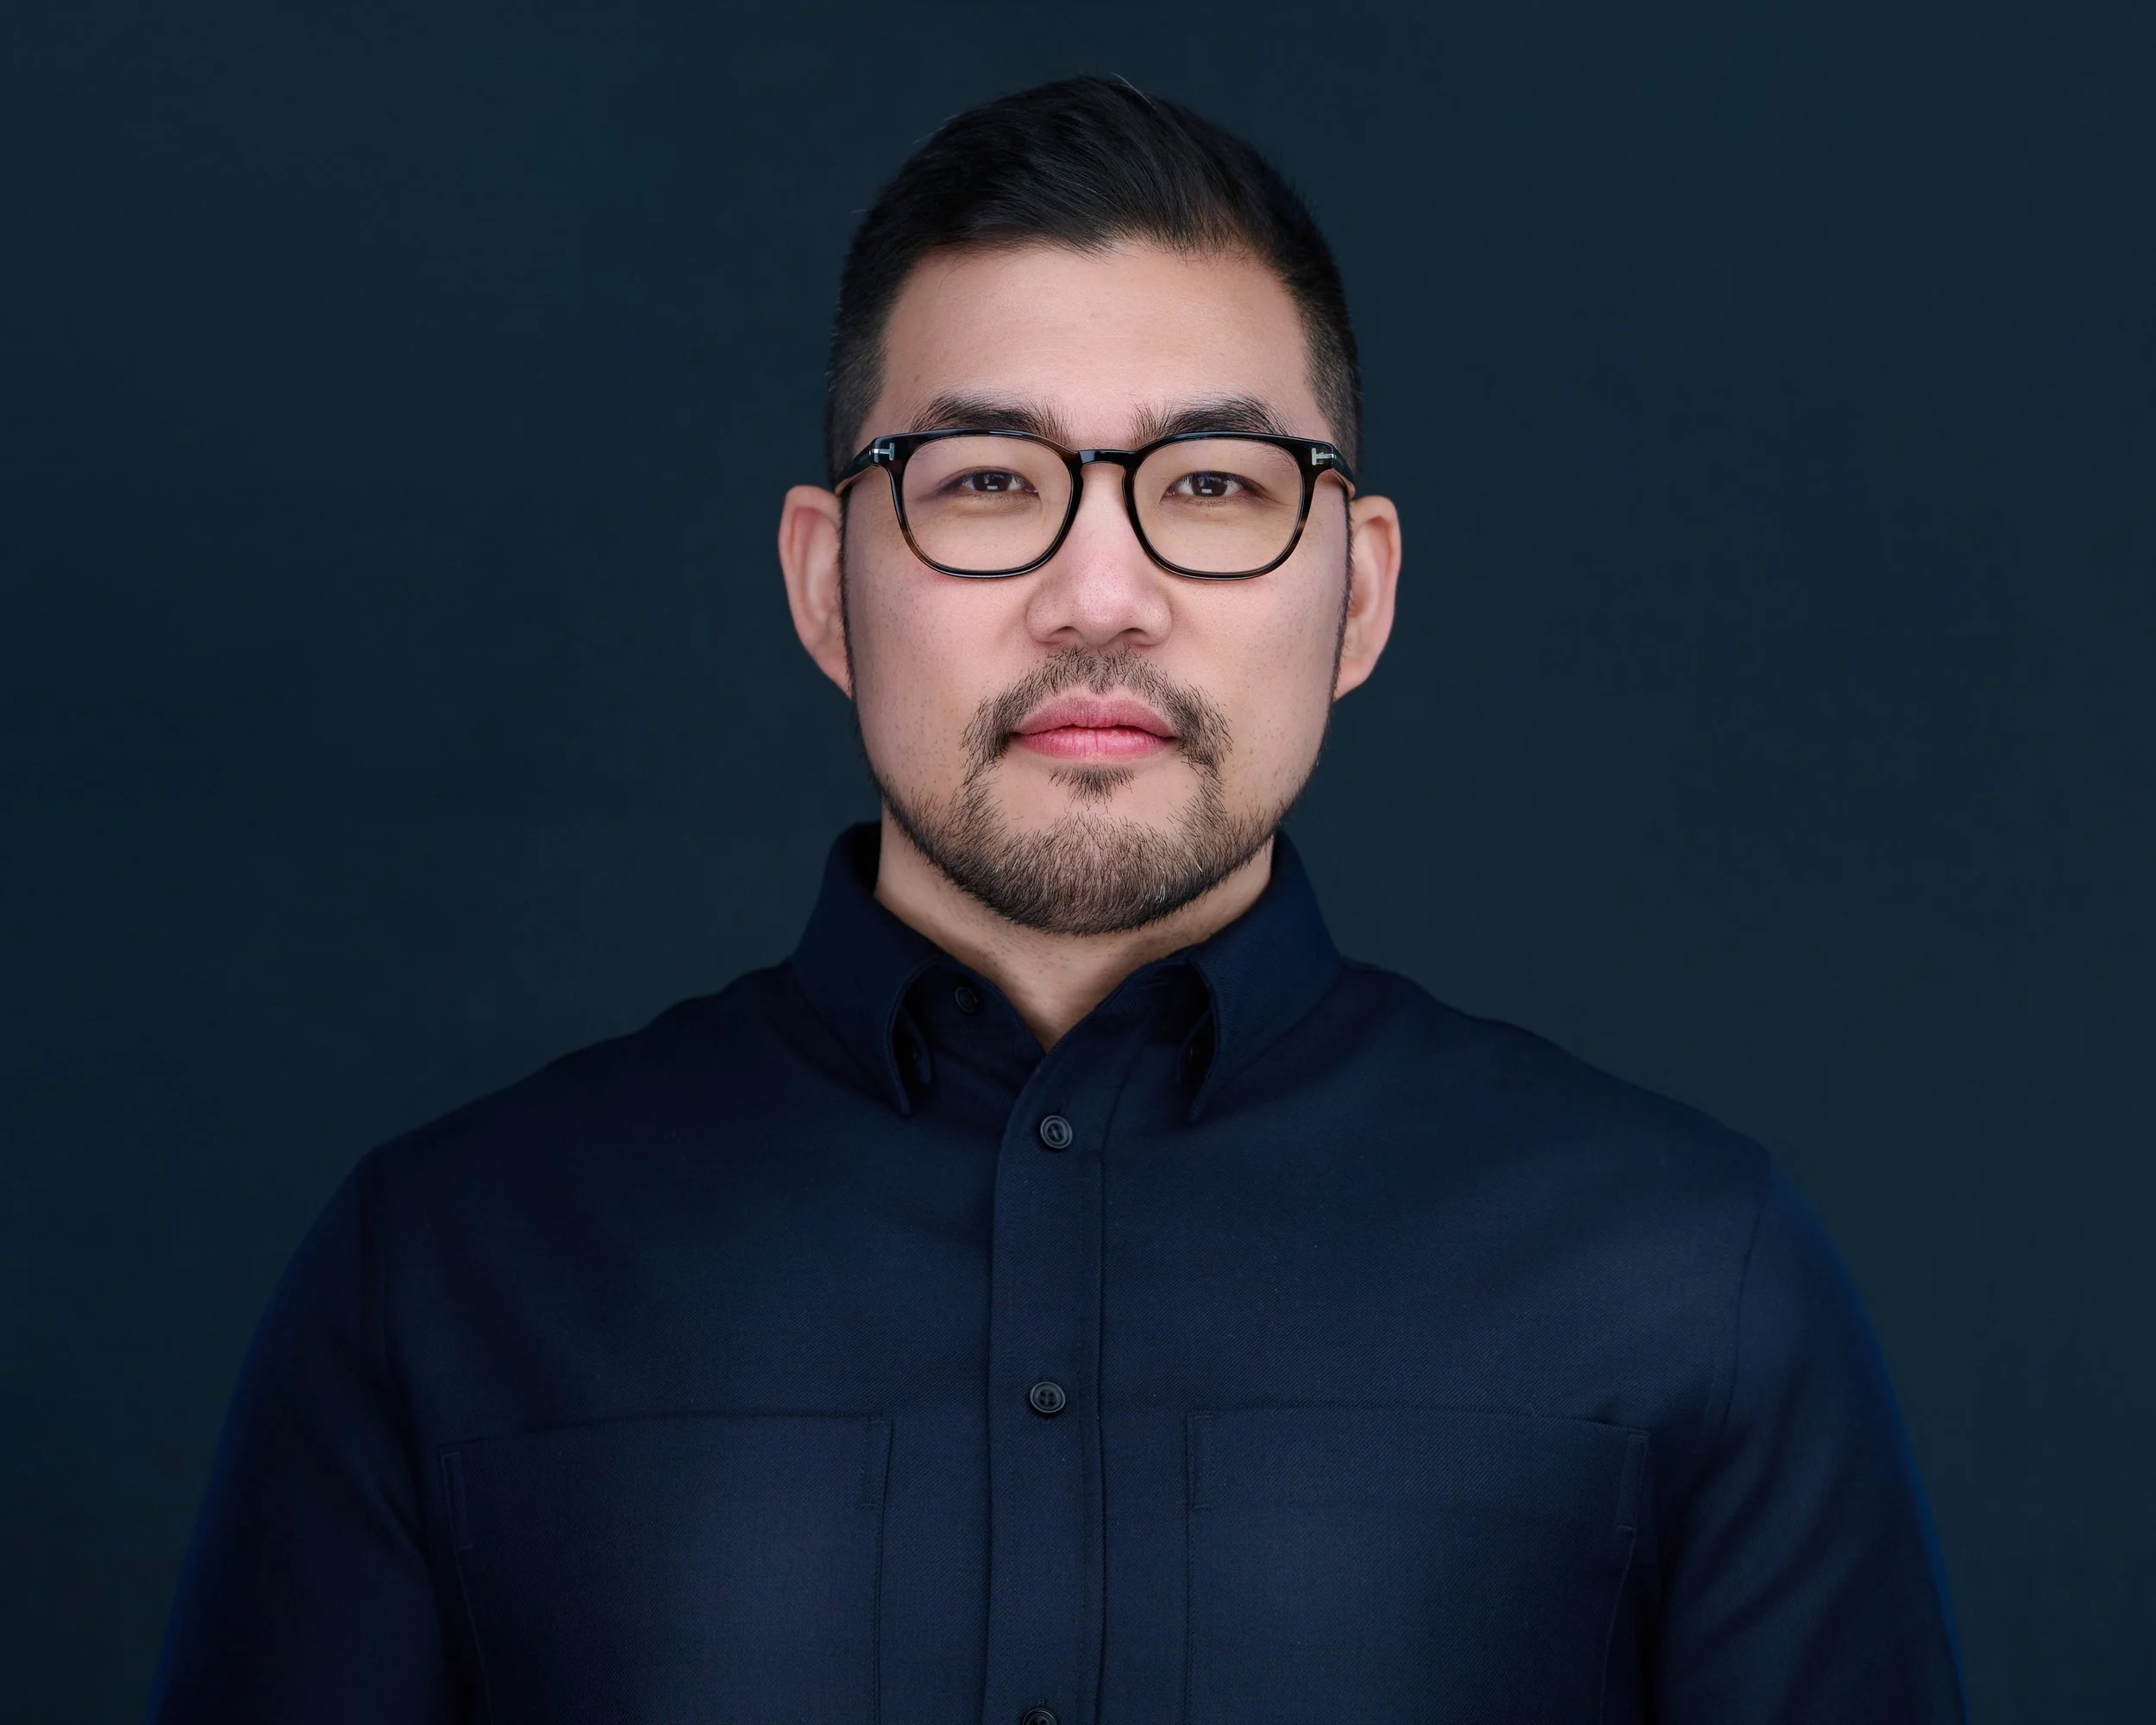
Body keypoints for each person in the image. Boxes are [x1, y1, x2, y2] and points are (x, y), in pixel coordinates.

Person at [147, 76, 1967, 1725]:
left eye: (1216, 485)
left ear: (1358, 594)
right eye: (989, 481)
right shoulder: (440, 1275)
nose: (1099, 592)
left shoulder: (1685, 1280)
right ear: (818, 579)